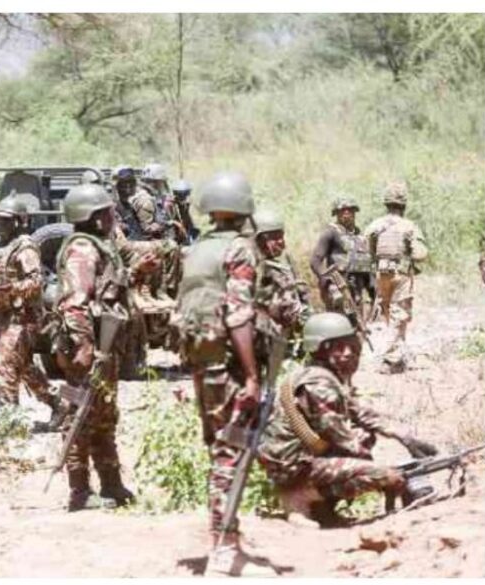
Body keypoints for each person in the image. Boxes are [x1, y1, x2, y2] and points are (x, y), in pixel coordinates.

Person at [171, 171, 273, 577]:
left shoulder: (196, 250)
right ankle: (225, 550)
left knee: (220, 451)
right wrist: (251, 375)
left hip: (202, 362)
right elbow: (239, 312)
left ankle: (226, 538)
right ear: (244, 208)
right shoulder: (238, 250)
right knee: (230, 453)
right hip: (228, 365)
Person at [258, 312, 437, 526]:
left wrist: (403, 436)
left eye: (351, 346)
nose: (348, 353)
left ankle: (321, 509)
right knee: (386, 474)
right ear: (320, 350)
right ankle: (300, 500)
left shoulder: (319, 375)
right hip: (295, 469)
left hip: (297, 463)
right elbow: (344, 440)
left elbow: (359, 412)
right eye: (338, 348)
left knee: (365, 445)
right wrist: (387, 473)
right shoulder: (319, 385)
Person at [52, 183, 157, 511]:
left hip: (104, 346)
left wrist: (137, 271)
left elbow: (107, 290)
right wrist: (85, 348)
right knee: (79, 415)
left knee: (104, 415)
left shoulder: (100, 246)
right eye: (107, 212)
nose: (114, 216)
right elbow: (75, 304)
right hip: (87, 349)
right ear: (94, 218)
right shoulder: (82, 250)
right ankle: (80, 491)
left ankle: (112, 484)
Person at [0, 196, 64, 430]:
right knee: (25, 367)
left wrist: (11, 289)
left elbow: (36, 281)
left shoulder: (24, 247)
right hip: (5, 316)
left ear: (18, 221)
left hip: (22, 318)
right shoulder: (2, 245)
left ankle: (9, 421)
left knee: (6, 366)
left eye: (5, 220)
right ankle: (58, 404)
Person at [365, 182, 428, 373]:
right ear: (403, 205)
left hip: (381, 274)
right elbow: (420, 254)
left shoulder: (375, 225)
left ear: (386, 204)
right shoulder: (408, 226)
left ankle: (399, 353)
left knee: (388, 315)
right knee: (399, 315)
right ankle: (389, 358)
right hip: (400, 275)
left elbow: (367, 248)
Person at [252, 209, 312, 355]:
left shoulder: (278, 266)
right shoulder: (261, 270)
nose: (282, 243)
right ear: (260, 239)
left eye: (282, 236)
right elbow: (290, 310)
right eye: (276, 238)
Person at [309, 197, 374, 329]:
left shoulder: (360, 236)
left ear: (355, 212)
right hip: (338, 290)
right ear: (336, 214)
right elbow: (315, 260)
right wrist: (326, 280)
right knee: (338, 327)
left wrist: (373, 291)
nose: (346, 213)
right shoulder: (331, 232)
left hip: (356, 291)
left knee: (357, 327)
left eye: (349, 210)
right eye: (342, 211)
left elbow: (366, 267)